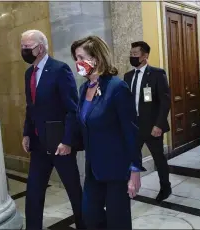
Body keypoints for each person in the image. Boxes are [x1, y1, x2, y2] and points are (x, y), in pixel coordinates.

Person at [71, 36, 145, 229]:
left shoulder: (116, 88)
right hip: (93, 167)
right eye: (75, 58)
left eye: (80, 57)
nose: (77, 63)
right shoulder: (83, 89)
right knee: (90, 216)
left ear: (95, 58)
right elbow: (83, 124)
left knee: (117, 221)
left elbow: (130, 131)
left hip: (116, 167)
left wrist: (135, 169)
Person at [20, 30, 84, 229]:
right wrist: (27, 133)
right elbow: (31, 107)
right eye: (22, 47)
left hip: (60, 144)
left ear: (40, 48)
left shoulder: (59, 69)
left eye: (27, 47)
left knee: (74, 192)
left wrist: (67, 141)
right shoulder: (29, 73)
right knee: (33, 193)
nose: (23, 51)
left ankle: (85, 225)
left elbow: (72, 109)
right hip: (39, 145)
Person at [124, 41, 171, 202]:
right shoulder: (128, 76)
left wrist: (158, 125)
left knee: (159, 158)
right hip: (133, 126)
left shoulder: (157, 74)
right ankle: (131, 186)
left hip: (152, 126)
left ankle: (165, 186)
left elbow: (165, 102)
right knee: (131, 158)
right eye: (131, 54)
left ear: (145, 56)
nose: (132, 57)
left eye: (135, 54)